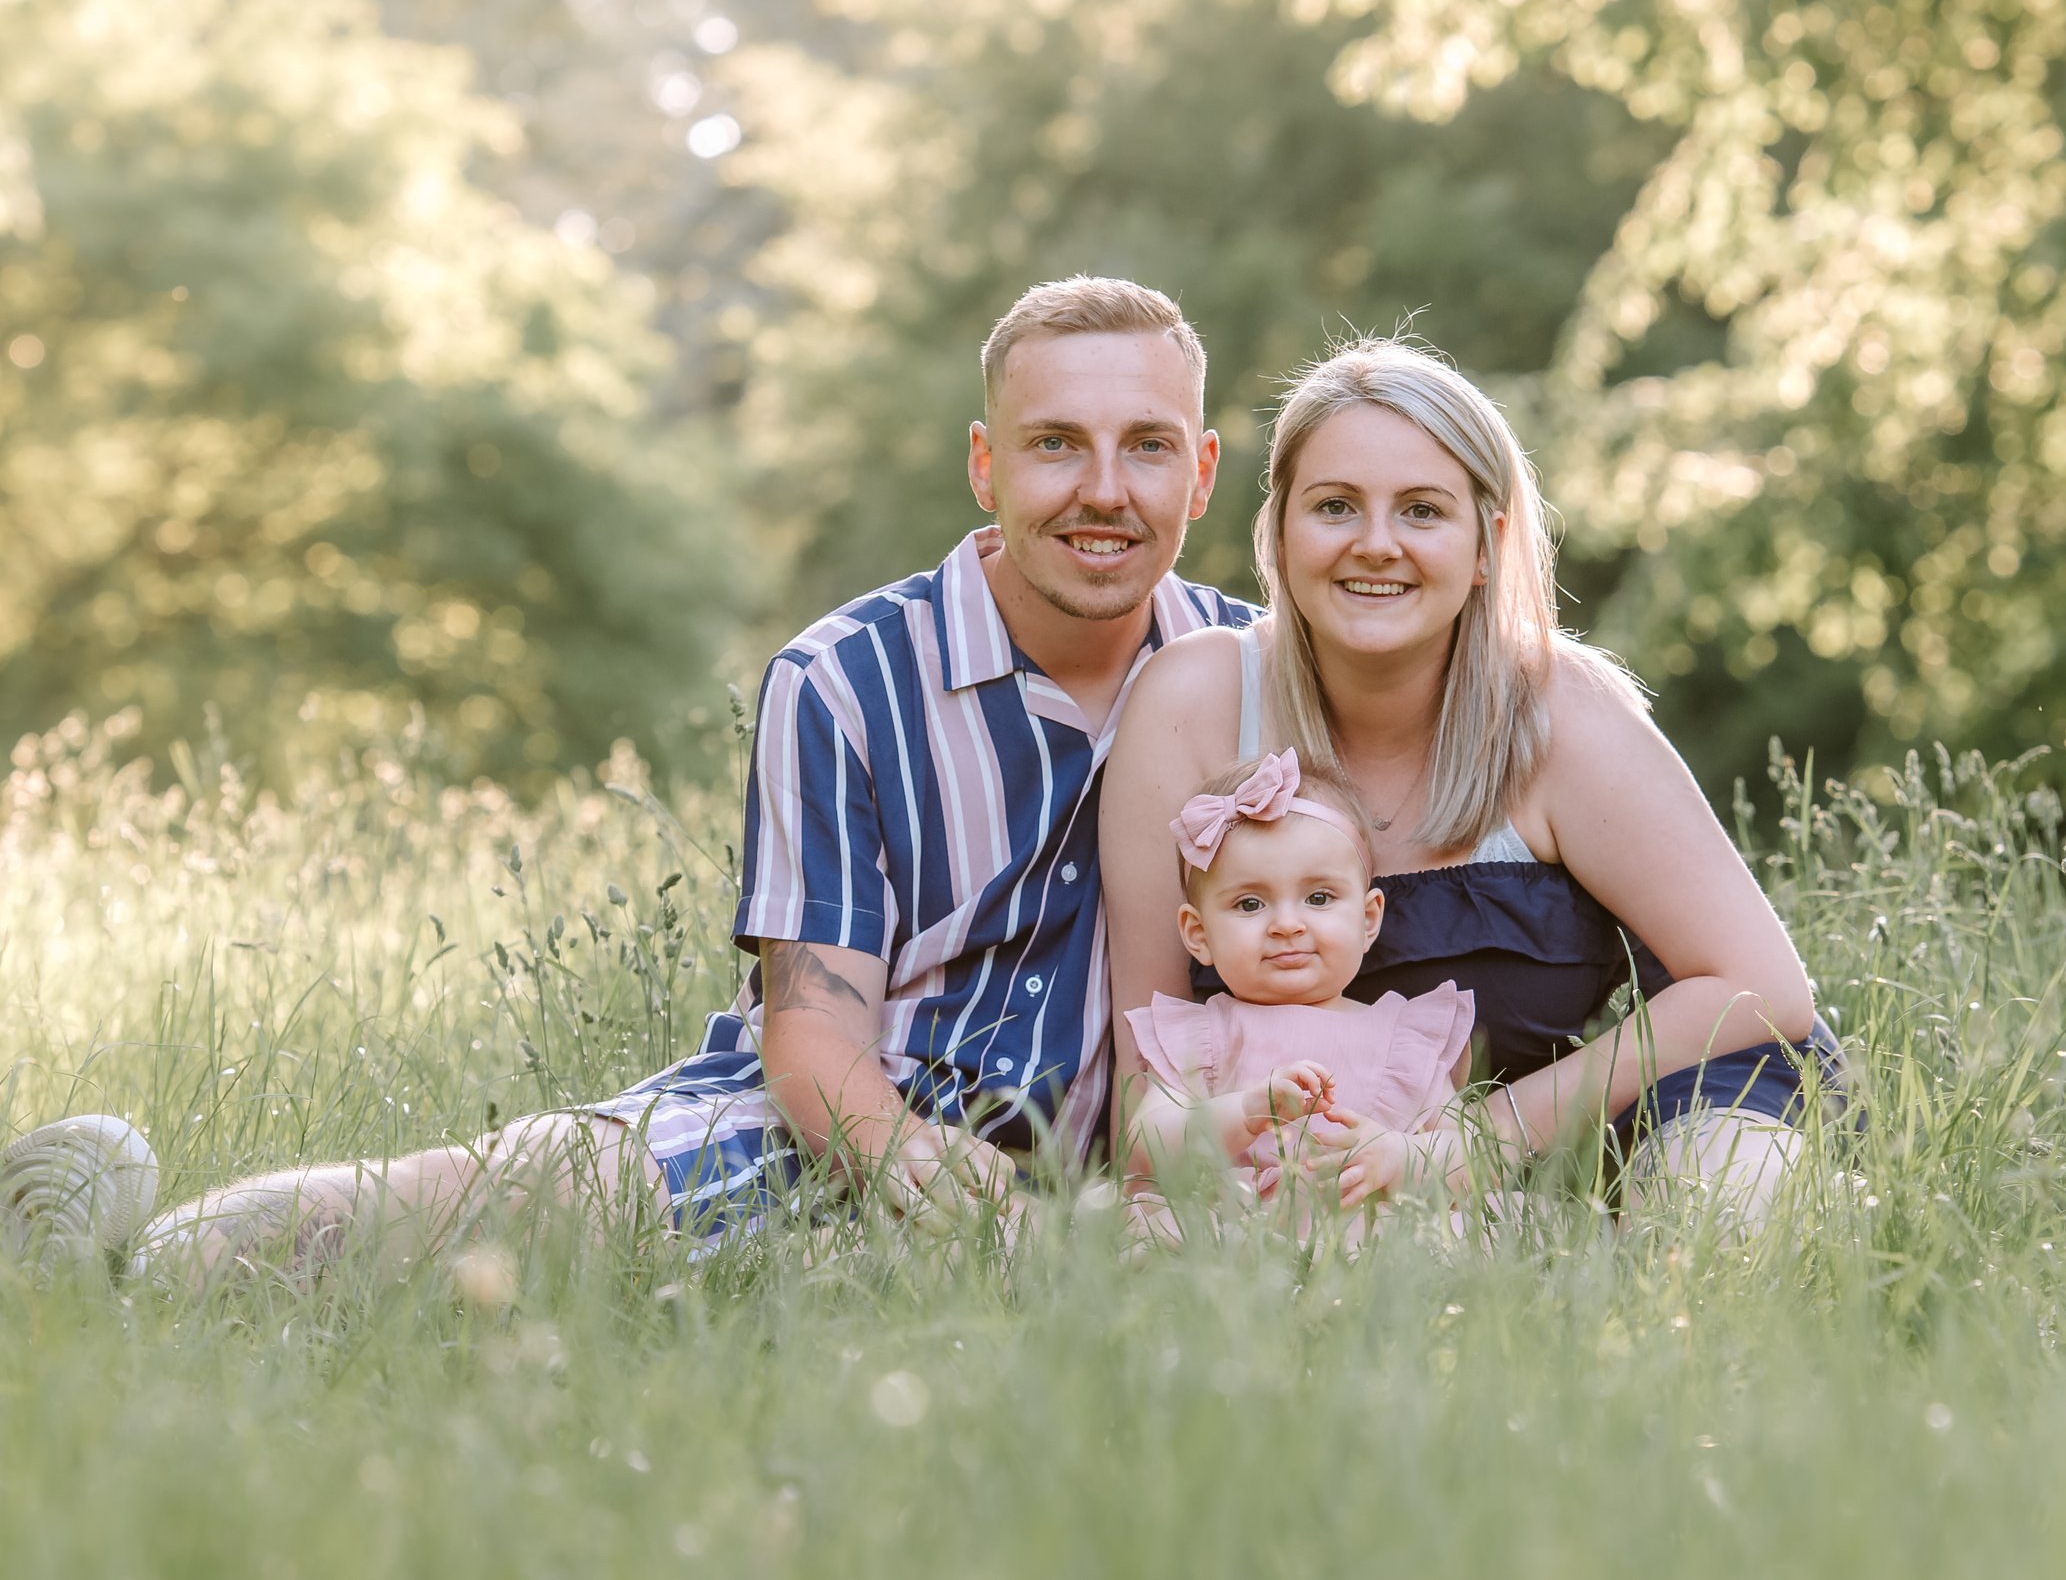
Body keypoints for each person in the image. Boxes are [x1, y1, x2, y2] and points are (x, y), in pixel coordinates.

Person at [1, 276, 1257, 1280]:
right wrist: (916, 1168)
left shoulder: (1256, 679)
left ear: (1200, 472)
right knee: (530, 1196)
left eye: (1146, 447)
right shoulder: (845, 679)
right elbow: (814, 1028)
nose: (1104, 489)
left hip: (1122, 1179)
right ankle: (115, 1261)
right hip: (845, 1125)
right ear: (987, 465)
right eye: (1057, 445)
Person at [1102, 338, 1845, 1231]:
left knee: (1731, 1209)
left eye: (1423, 510)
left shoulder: (1557, 710)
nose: (1377, 545)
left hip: (1631, 1110)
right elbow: (1144, 1072)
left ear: (1487, 544)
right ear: (1281, 532)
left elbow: (1761, 988)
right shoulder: (1196, 699)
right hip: (1326, 1179)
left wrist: (1464, 1144)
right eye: (1335, 506)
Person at [1124, 749, 1474, 1223]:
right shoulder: (1203, 1038)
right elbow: (1145, 1149)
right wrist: (1244, 1111)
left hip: (1370, 1238)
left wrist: (1397, 1157)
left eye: (1317, 898)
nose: (1287, 925)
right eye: (1250, 904)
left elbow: (1468, 1159)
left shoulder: (1403, 1040)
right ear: (1199, 934)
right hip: (1230, 1233)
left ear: (1368, 918)